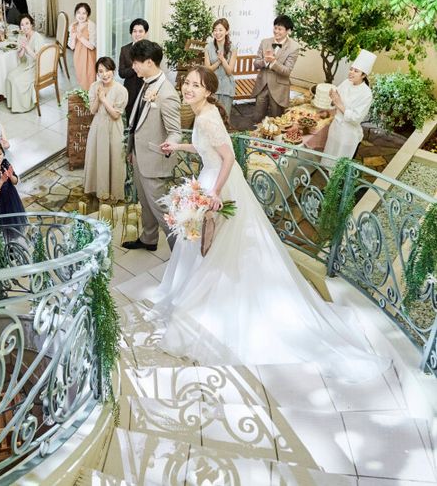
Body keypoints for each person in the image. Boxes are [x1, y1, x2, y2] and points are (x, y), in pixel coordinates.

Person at [131, 65, 389, 381]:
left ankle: (208, 305)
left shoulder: (207, 117)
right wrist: (179, 146)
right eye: (187, 83)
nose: (188, 88)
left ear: (208, 91)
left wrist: (214, 193)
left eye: (196, 85)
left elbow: (228, 158)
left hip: (219, 184)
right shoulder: (203, 114)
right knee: (203, 246)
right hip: (211, 178)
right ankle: (197, 295)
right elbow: (207, 148)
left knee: (215, 248)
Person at [123, 40, 181, 251]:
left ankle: (181, 250)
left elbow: (175, 131)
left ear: (149, 62)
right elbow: (138, 121)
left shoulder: (167, 94)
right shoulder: (146, 83)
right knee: (145, 203)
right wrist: (132, 150)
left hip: (155, 160)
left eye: (136, 63)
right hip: (140, 155)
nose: (133, 67)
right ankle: (149, 238)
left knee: (162, 209)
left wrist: (170, 145)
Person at [84, 57, 128, 202]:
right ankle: (100, 190)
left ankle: (114, 192)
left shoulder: (121, 90)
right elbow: (92, 110)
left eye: (108, 70)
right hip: (98, 127)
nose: (104, 74)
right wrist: (98, 97)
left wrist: (103, 99)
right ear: (97, 73)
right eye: (101, 71)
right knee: (98, 158)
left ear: (113, 71)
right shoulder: (94, 86)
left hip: (114, 129)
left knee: (115, 159)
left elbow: (115, 115)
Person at [321, 49, 376, 167]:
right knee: (329, 157)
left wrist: (339, 103)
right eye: (351, 69)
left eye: (356, 71)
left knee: (339, 164)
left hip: (348, 133)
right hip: (335, 128)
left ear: (364, 75)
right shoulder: (346, 82)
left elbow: (356, 118)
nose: (351, 72)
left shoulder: (366, 94)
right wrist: (332, 98)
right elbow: (335, 98)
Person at [251, 14, 300, 123]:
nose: (276, 31)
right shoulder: (265, 42)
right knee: (257, 118)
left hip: (279, 87)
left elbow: (287, 71)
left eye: (280, 29)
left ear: (288, 31)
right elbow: (256, 63)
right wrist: (265, 61)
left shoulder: (294, 47)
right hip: (262, 85)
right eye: (275, 28)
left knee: (277, 120)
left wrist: (273, 62)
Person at [5, 14, 43, 113]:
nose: (25, 27)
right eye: (22, 25)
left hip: (36, 66)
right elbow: (20, 56)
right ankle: (12, 104)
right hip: (26, 64)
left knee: (17, 81)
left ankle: (23, 106)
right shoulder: (21, 36)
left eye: (27, 23)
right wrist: (22, 47)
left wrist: (27, 47)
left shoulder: (37, 37)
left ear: (31, 24)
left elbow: (38, 58)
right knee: (10, 77)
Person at [204, 18, 237, 116]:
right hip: (212, 86)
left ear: (227, 31)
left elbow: (229, 72)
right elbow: (207, 70)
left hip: (227, 87)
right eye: (215, 30)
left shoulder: (233, 48)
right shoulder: (208, 47)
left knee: (224, 117)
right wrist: (219, 61)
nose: (217, 33)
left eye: (220, 30)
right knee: (211, 116)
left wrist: (222, 59)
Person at [118, 18, 149, 121]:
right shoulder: (125, 50)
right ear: (131, 33)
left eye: (140, 31)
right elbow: (121, 73)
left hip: (147, 90)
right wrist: (134, 67)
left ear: (145, 33)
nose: (137, 34)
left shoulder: (151, 49)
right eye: (134, 31)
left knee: (145, 121)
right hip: (130, 90)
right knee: (130, 121)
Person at [68, 2, 96, 91]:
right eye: (79, 13)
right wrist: (73, 38)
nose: (81, 15)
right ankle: (86, 96)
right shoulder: (73, 26)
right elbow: (72, 47)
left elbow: (92, 46)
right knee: (82, 80)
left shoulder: (91, 25)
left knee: (90, 79)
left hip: (89, 56)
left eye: (84, 13)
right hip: (78, 57)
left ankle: (91, 97)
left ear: (88, 15)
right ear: (75, 14)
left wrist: (80, 37)